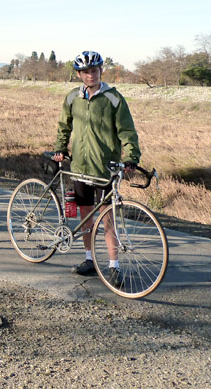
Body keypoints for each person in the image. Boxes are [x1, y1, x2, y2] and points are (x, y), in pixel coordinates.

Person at [53, 50, 141, 287]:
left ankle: (113, 265)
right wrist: (60, 147)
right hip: (80, 167)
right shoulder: (72, 97)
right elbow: (64, 126)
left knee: (108, 218)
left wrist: (132, 157)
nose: (90, 75)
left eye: (94, 70)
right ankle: (89, 259)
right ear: (79, 74)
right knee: (86, 216)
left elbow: (127, 131)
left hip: (105, 169)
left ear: (101, 71)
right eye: (85, 72)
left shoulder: (114, 98)